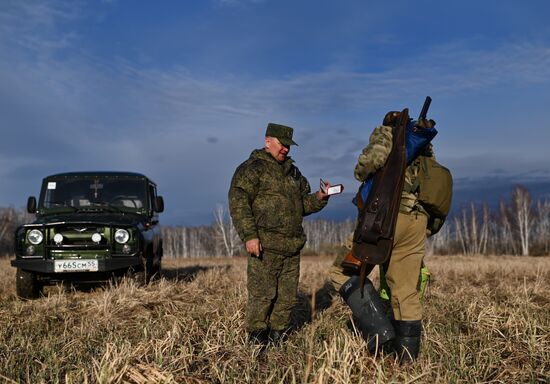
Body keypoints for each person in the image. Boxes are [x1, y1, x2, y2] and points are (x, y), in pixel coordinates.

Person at [329, 112, 436, 363]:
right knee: (405, 290)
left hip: (384, 218)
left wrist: (361, 167)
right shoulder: (425, 146)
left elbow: (369, 163)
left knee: (341, 271)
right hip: (417, 220)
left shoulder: (388, 133)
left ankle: (380, 331)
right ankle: (407, 361)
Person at [229, 122, 330, 346]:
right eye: (282, 145)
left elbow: (303, 204)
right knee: (262, 296)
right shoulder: (251, 169)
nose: (285, 149)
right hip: (265, 246)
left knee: (286, 299)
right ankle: (257, 343)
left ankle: (277, 340)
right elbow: (238, 203)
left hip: (291, 247)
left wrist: (320, 198)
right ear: (268, 142)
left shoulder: (294, 173)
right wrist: (249, 236)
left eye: (288, 146)